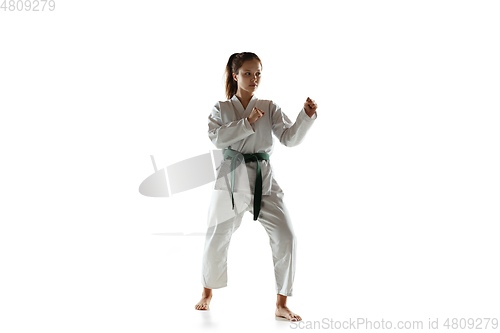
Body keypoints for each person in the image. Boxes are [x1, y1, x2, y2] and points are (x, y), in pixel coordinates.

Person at [194, 52, 318, 321]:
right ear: (235, 75)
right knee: (216, 234)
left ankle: (281, 303)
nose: (254, 78)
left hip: (264, 176)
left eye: (258, 73)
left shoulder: (269, 106)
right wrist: (247, 123)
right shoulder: (221, 108)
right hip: (231, 176)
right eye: (248, 73)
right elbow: (217, 137)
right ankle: (207, 292)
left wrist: (305, 116)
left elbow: (288, 138)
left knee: (287, 235)